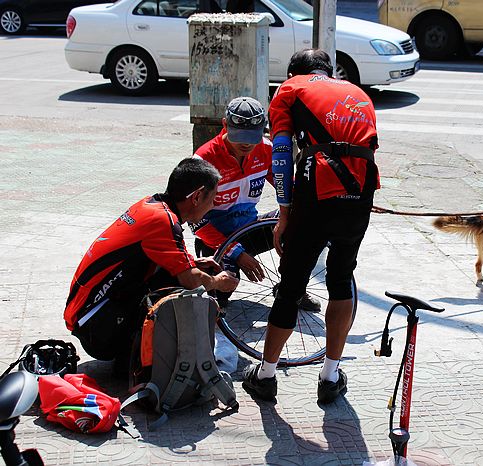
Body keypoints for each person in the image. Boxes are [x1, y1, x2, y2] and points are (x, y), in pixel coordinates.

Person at [242, 48, 380, 404]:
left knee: (290, 287)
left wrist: (284, 213)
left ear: (292, 72)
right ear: (329, 71)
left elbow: (282, 152)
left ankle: (267, 375)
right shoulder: (358, 93)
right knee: (340, 279)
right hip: (360, 194)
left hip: (316, 191)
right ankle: (330, 375)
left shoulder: (290, 89)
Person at [64, 158, 239, 373]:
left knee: (175, 276)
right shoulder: (163, 221)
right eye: (212, 198)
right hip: (96, 328)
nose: (213, 205)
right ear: (197, 196)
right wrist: (218, 283)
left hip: (86, 316)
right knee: (184, 291)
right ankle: (134, 356)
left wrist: (193, 263)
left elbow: (155, 258)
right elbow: (191, 281)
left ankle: (134, 350)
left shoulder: (151, 205)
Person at [190, 96, 321, 311]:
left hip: (250, 229)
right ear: (225, 125)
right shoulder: (203, 160)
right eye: (239, 136)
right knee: (221, 295)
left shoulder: (266, 149)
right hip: (217, 240)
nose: (246, 144)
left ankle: (292, 287)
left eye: (252, 137)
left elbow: (289, 189)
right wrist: (236, 253)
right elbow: (196, 222)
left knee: (303, 218)